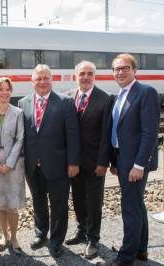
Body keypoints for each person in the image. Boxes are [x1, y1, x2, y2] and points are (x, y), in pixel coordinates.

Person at [96, 54, 160, 266]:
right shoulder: (119, 95)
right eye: (116, 69)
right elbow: (118, 131)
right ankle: (140, 249)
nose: (120, 72)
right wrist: (115, 161)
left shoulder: (146, 92)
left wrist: (139, 165)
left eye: (124, 68)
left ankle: (125, 258)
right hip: (123, 160)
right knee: (137, 204)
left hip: (135, 162)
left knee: (130, 207)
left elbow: (149, 133)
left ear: (134, 70)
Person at [18, 64, 80, 258]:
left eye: (46, 78)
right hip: (32, 166)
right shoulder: (23, 103)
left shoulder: (65, 102)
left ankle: (56, 240)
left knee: (59, 205)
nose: (42, 82)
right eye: (38, 78)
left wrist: (73, 162)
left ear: (51, 80)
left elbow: (72, 135)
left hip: (58, 165)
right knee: (38, 202)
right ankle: (40, 233)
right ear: (32, 81)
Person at [65, 61, 112, 259]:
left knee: (94, 202)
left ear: (95, 76)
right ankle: (81, 230)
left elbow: (106, 134)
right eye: (82, 73)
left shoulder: (105, 99)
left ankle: (93, 238)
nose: (85, 77)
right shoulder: (68, 97)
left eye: (89, 73)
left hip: (95, 163)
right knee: (77, 199)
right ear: (76, 76)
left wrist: (103, 163)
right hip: (74, 162)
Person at [0, 77, 26, 254]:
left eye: (8, 89)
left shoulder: (18, 112)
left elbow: (20, 138)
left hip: (14, 165)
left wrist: (9, 163)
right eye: (1, 90)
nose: (5, 93)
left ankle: (14, 237)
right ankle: (4, 236)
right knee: (0, 203)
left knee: (12, 203)